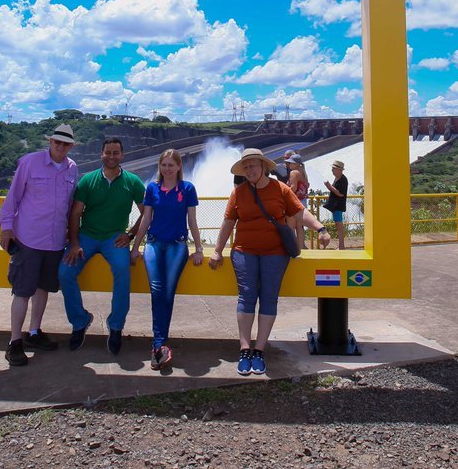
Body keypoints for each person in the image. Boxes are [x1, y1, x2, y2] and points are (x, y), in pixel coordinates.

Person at [208, 148, 330, 376]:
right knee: (246, 296)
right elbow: (227, 223)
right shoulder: (239, 192)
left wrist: (321, 228)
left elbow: (300, 212)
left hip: (275, 252)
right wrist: (217, 251)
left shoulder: (280, 189)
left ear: (263, 167)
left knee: (269, 298)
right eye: (246, 167)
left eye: (252, 165)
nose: (249, 170)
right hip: (245, 252)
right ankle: (245, 349)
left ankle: (259, 350)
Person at [0, 123, 78, 366]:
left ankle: (34, 332)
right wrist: (6, 226)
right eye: (57, 142)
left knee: (43, 289)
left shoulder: (72, 168)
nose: (60, 147)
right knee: (22, 291)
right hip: (29, 239)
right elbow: (13, 196)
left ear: (71, 146)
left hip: (54, 241)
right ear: (49, 142)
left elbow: (71, 203)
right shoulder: (30, 163)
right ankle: (14, 342)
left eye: (65, 144)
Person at [59, 137, 145, 355]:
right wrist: (74, 242)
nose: (112, 156)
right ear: (102, 154)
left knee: (122, 271)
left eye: (116, 152)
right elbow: (76, 212)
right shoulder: (88, 180)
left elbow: (147, 213)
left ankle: (115, 326)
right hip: (87, 236)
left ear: (122, 155)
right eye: (108, 152)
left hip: (115, 238)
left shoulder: (133, 182)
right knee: (65, 272)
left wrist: (131, 234)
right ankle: (80, 321)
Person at [130, 149, 202, 370]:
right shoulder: (152, 188)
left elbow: (192, 221)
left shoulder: (187, 188)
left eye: (171, 165)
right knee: (157, 289)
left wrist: (199, 248)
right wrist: (135, 247)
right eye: (164, 165)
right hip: (153, 243)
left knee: (168, 292)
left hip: (177, 245)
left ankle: (159, 343)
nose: (167, 169)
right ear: (160, 167)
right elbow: (146, 219)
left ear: (179, 167)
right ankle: (158, 344)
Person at [323, 159, 348, 250]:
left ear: (339, 170)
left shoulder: (343, 180)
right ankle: (341, 245)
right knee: (338, 225)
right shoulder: (338, 178)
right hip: (335, 206)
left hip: (338, 206)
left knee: (339, 225)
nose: (332, 170)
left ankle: (341, 246)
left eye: (334, 168)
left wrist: (329, 187)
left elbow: (340, 193)